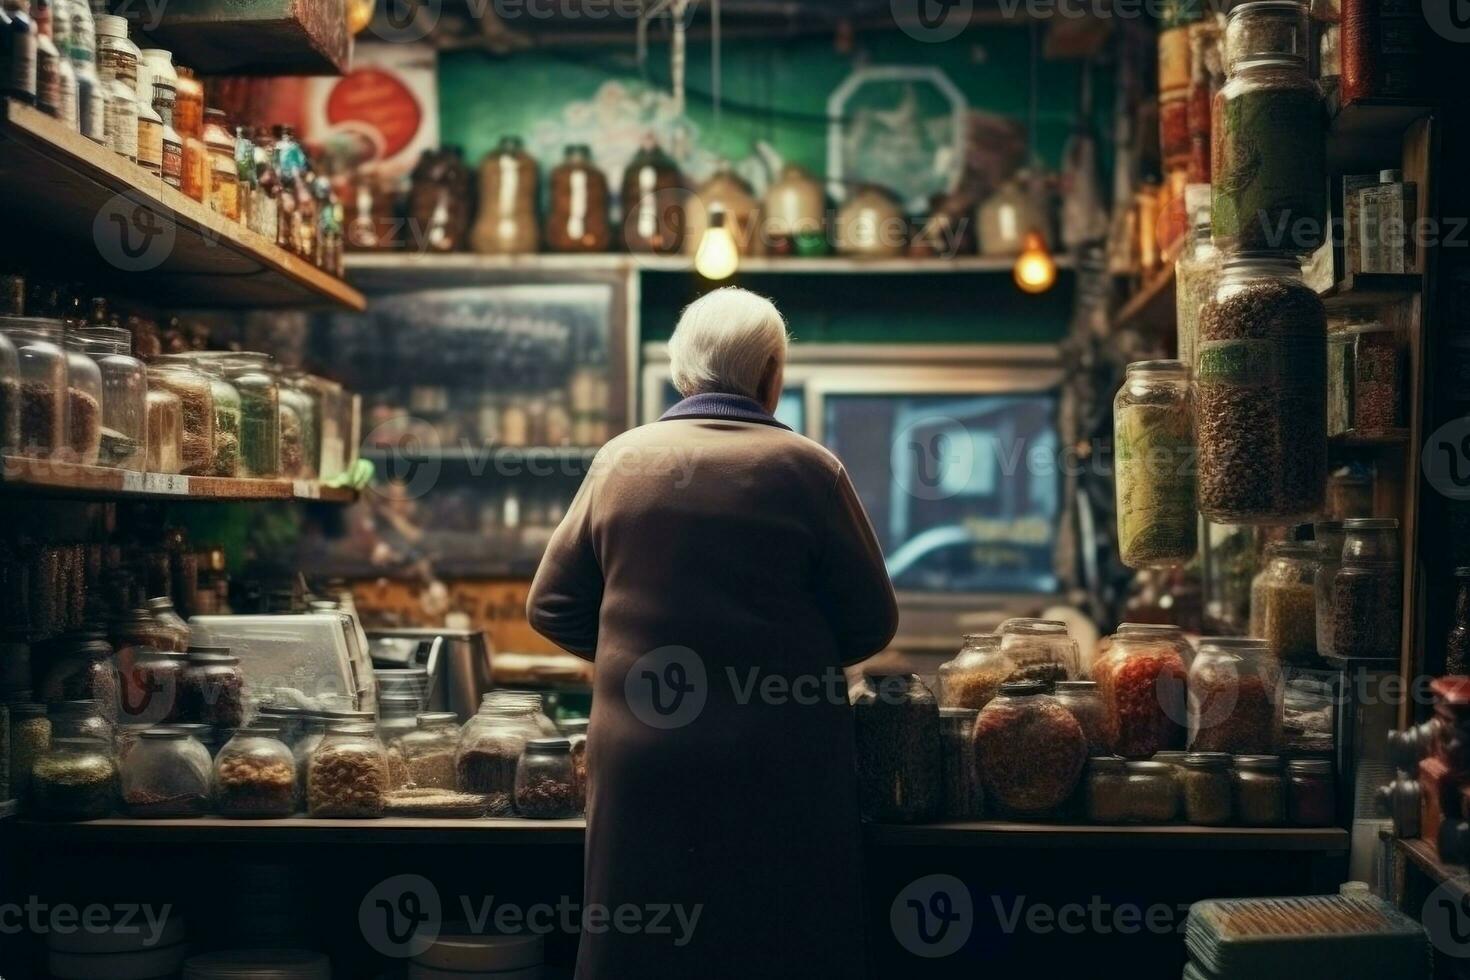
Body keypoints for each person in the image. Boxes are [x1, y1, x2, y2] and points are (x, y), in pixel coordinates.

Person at [527, 286, 899, 980]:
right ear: (771, 375)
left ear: (682, 372)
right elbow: (874, 621)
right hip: (783, 757)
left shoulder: (621, 463)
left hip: (644, 760)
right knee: (786, 945)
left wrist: (629, 661)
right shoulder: (810, 469)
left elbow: (551, 606)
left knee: (642, 951)